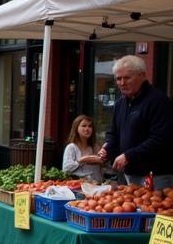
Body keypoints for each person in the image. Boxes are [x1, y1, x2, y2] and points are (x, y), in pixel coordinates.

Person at [98, 55, 173, 189]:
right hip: (128, 174)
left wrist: (129, 155)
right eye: (118, 79)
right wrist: (107, 148)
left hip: (155, 175)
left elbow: (160, 138)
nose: (122, 83)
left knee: (154, 209)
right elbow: (113, 133)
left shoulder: (158, 101)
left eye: (127, 77)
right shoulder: (120, 103)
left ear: (143, 75)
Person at [62, 115, 105, 184]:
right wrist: (83, 160)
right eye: (84, 126)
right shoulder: (71, 147)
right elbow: (66, 169)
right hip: (78, 187)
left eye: (90, 126)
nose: (87, 129)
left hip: (98, 187)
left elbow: (106, 168)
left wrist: (103, 162)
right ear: (76, 128)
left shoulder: (95, 147)